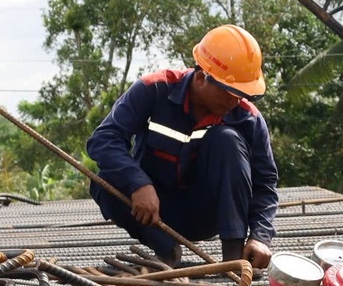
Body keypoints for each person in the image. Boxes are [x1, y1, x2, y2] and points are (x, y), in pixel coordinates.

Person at [85, 24, 278, 269]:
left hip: (207, 213)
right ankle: (167, 251)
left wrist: (261, 236)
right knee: (104, 181)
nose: (234, 101)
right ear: (200, 78)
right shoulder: (154, 89)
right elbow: (104, 139)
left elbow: (265, 183)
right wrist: (138, 183)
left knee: (227, 140)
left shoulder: (247, 118)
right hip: (153, 211)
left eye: (241, 94)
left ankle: (233, 259)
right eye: (229, 92)